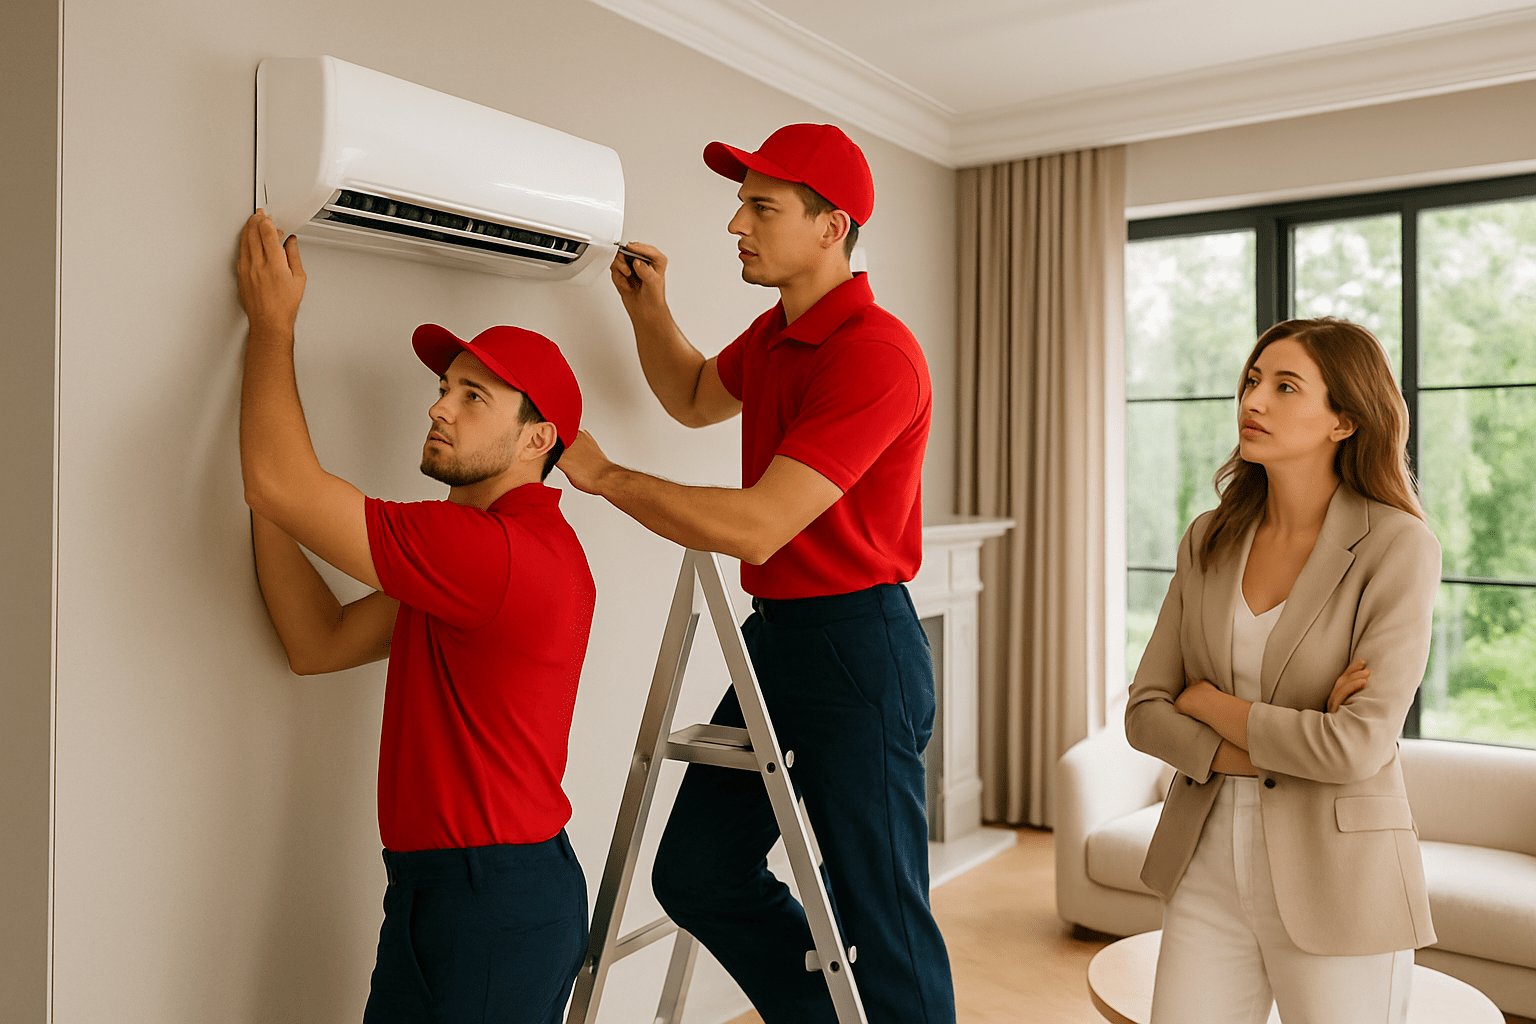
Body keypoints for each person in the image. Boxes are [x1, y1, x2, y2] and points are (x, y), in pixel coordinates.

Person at [557, 123, 954, 1023]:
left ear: (831, 227)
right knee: (697, 870)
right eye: (740, 204)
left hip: (858, 646)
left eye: (760, 207)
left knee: (882, 921)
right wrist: (647, 310)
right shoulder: (778, 333)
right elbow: (697, 396)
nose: (735, 223)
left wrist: (608, 475)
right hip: (779, 641)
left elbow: (763, 525)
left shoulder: (874, 355)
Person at [235, 211, 595, 1024]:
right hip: (459, 893)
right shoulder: (484, 564)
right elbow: (316, 643)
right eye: (443, 388)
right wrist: (272, 494)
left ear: (537, 438)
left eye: (475, 396)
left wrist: (271, 328)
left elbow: (281, 483)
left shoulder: (488, 555)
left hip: (488, 901)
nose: (440, 409)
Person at [1125, 317, 1440, 1024]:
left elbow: (1356, 746)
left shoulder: (1398, 546)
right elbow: (1145, 711)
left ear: (1345, 421)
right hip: (1203, 866)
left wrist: (1206, 702)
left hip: (1339, 883)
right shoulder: (1209, 536)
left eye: (1285, 386)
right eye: (1252, 380)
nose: (1254, 401)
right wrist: (1294, 735)